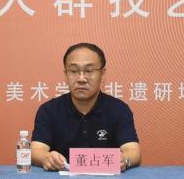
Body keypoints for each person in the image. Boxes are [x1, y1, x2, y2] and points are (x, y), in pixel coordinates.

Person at [31, 43, 141, 171]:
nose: (81, 79)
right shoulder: (49, 110)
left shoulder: (119, 110)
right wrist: (46, 158)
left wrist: (124, 160)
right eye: (74, 71)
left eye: (89, 71)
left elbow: (133, 151)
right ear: (65, 74)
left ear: (102, 74)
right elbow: (36, 150)